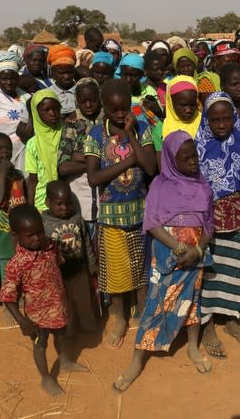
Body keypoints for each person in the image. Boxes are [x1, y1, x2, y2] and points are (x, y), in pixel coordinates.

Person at [113, 131, 214, 391]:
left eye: (195, 156)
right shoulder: (160, 185)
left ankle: (192, 347)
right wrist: (181, 248)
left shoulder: (202, 185)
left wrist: (198, 249)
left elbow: (209, 226)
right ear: (171, 159)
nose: (193, 162)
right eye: (186, 158)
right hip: (169, 252)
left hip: (196, 253)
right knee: (156, 303)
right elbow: (152, 224)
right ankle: (137, 360)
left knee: (192, 301)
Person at [195, 92, 240, 358]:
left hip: (238, 217)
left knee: (237, 269)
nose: (222, 124)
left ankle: (232, 320)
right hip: (208, 220)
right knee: (209, 273)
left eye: (227, 118)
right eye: (216, 119)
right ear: (207, 119)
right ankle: (208, 327)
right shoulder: (200, 146)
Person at [85, 79, 156, 349]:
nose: (119, 114)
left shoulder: (142, 128)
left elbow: (150, 168)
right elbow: (93, 178)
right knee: (116, 272)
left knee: (141, 270)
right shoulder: (96, 134)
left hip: (140, 213)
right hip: (112, 216)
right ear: (104, 107)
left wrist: (132, 136)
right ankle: (119, 317)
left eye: (124, 108)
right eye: (114, 110)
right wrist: (129, 160)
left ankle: (142, 313)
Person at [0, 204, 70, 396]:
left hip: (58, 306)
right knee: (41, 345)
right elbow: (7, 297)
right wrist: (23, 322)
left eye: (39, 231)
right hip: (37, 316)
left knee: (62, 336)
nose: (37, 237)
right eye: (30, 235)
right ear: (16, 235)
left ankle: (65, 361)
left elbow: (58, 263)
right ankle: (46, 378)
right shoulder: (17, 264)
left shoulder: (49, 245)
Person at [42, 181, 97, 361]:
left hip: (79, 270)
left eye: (68, 203)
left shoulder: (77, 219)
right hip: (59, 275)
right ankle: (69, 334)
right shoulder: (43, 223)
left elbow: (87, 242)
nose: (64, 207)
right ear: (47, 202)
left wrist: (91, 264)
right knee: (66, 307)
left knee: (83, 301)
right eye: (59, 204)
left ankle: (86, 327)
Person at [58, 78, 102, 232]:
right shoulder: (72, 124)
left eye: (93, 100)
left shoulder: (109, 120)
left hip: (108, 205)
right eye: (83, 101)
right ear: (77, 100)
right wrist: (97, 161)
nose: (88, 105)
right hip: (82, 204)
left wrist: (80, 157)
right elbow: (63, 167)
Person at [0, 132, 26, 283]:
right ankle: (9, 304)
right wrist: (2, 174)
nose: (4, 152)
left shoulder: (18, 174)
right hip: (4, 232)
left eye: (8, 148)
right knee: (8, 271)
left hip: (22, 231)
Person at [25, 89, 62, 212]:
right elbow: (32, 180)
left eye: (55, 108)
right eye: (46, 110)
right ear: (36, 112)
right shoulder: (33, 144)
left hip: (66, 200)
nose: (52, 113)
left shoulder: (67, 134)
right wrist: (31, 208)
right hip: (42, 202)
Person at [151, 76, 200, 159]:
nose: (188, 110)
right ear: (171, 103)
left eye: (192, 105)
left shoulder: (205, 122)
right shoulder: (161, 130)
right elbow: (163, 166)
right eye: (183, 105)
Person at [47, 44, 77, 115]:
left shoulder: (81, 90)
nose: (66, 76)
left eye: (70, 72)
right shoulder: (48, 94)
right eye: (62, 73)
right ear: (53, 72)